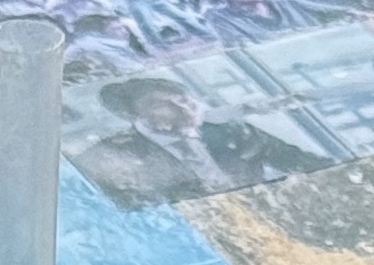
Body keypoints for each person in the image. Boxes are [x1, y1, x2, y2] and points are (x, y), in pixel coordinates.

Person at [78, 75, 325, 205]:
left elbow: (301, 162)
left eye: (182, 98)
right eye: (160, 104)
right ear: (134, 115)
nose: (182, 108)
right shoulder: (113, 156)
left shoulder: (230, 130)